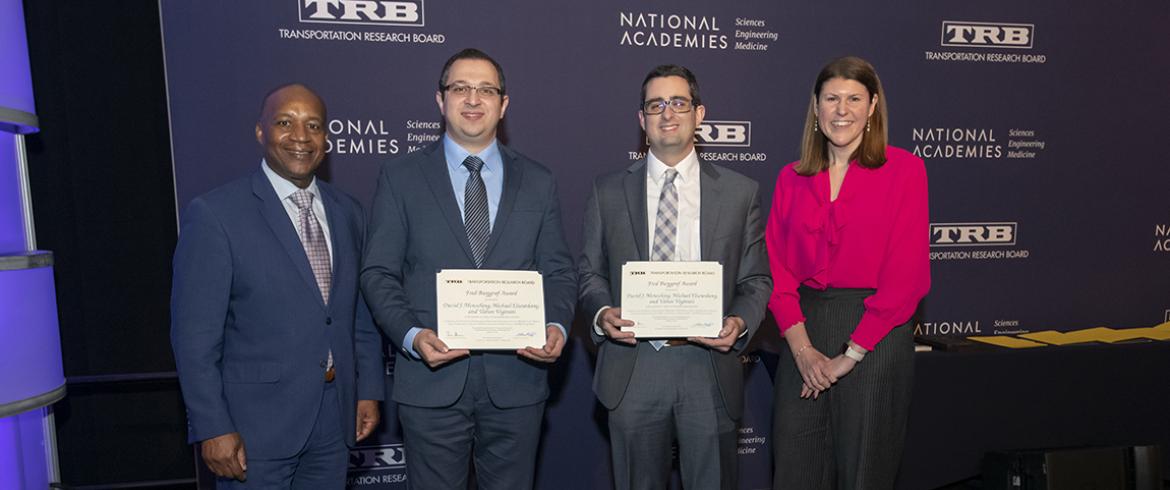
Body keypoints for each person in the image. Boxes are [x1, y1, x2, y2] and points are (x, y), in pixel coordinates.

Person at [359, 48, 576, 489]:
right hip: (430, 382)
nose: (473, 99)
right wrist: (411, 335)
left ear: (504, 103)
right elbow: (378, 273)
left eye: (486, 90)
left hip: (517, 382)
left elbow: (558, 271)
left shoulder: (539, 180)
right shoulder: (400, 177)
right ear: (440, 100)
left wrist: (555, 323)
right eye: (460, 88)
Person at [171, 83, 384, 488]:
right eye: (285, 123)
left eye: (313, 125)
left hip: (333, 421)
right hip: (253, 429)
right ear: (260, 132)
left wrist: (367, 388)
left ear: (326, 137)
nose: (300, 137)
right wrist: (212, 426)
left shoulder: (348, 212)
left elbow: (357, 313)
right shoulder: (216, 215)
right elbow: (194, 337)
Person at [578, 64, 772, 489]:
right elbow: (589, 272)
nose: (668, 113)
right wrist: (601, 313)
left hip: (708, 366)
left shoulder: (741, 193)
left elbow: (756, 280)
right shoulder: (606, 190)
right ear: (641, 120)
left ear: (699, 114)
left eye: (679, 102)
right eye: (655, 105)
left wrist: (738, 323)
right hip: (633, 366)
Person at [766, 56, 930, 488]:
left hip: (876, 334)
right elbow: (777, 270)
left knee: (864, 474)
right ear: (816, 108)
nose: (843, 110)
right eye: (832, 98)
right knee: (795, 469)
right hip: (804, 331)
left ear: (873, 106)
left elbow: (906, 275)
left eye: (854, 98)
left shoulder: (905, 170)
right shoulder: (792, 178)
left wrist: (851, 354)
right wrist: (803, 349)